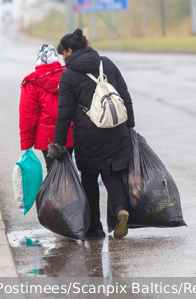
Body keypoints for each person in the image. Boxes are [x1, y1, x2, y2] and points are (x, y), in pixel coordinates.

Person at [49, 29, 135, 239]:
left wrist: (59, 144)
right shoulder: (106, 63)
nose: (63, 58)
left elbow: (65, 113)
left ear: (70, 50)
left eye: (63, 53)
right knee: (111, 173)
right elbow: (125, 96)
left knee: (89, 176)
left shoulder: (68, 75)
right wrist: (130, 127)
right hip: (116, 129)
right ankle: (120, 209)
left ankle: (95, 227)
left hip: (88, 136)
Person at [19, 44, 73, 171]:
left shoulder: (32, 82)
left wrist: (26, 144)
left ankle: (55, 191)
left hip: (47, 136)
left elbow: (28, 116)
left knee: (52, 170)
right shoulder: (69, 76)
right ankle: (69, 190)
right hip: (70, 133)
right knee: (68, 169)